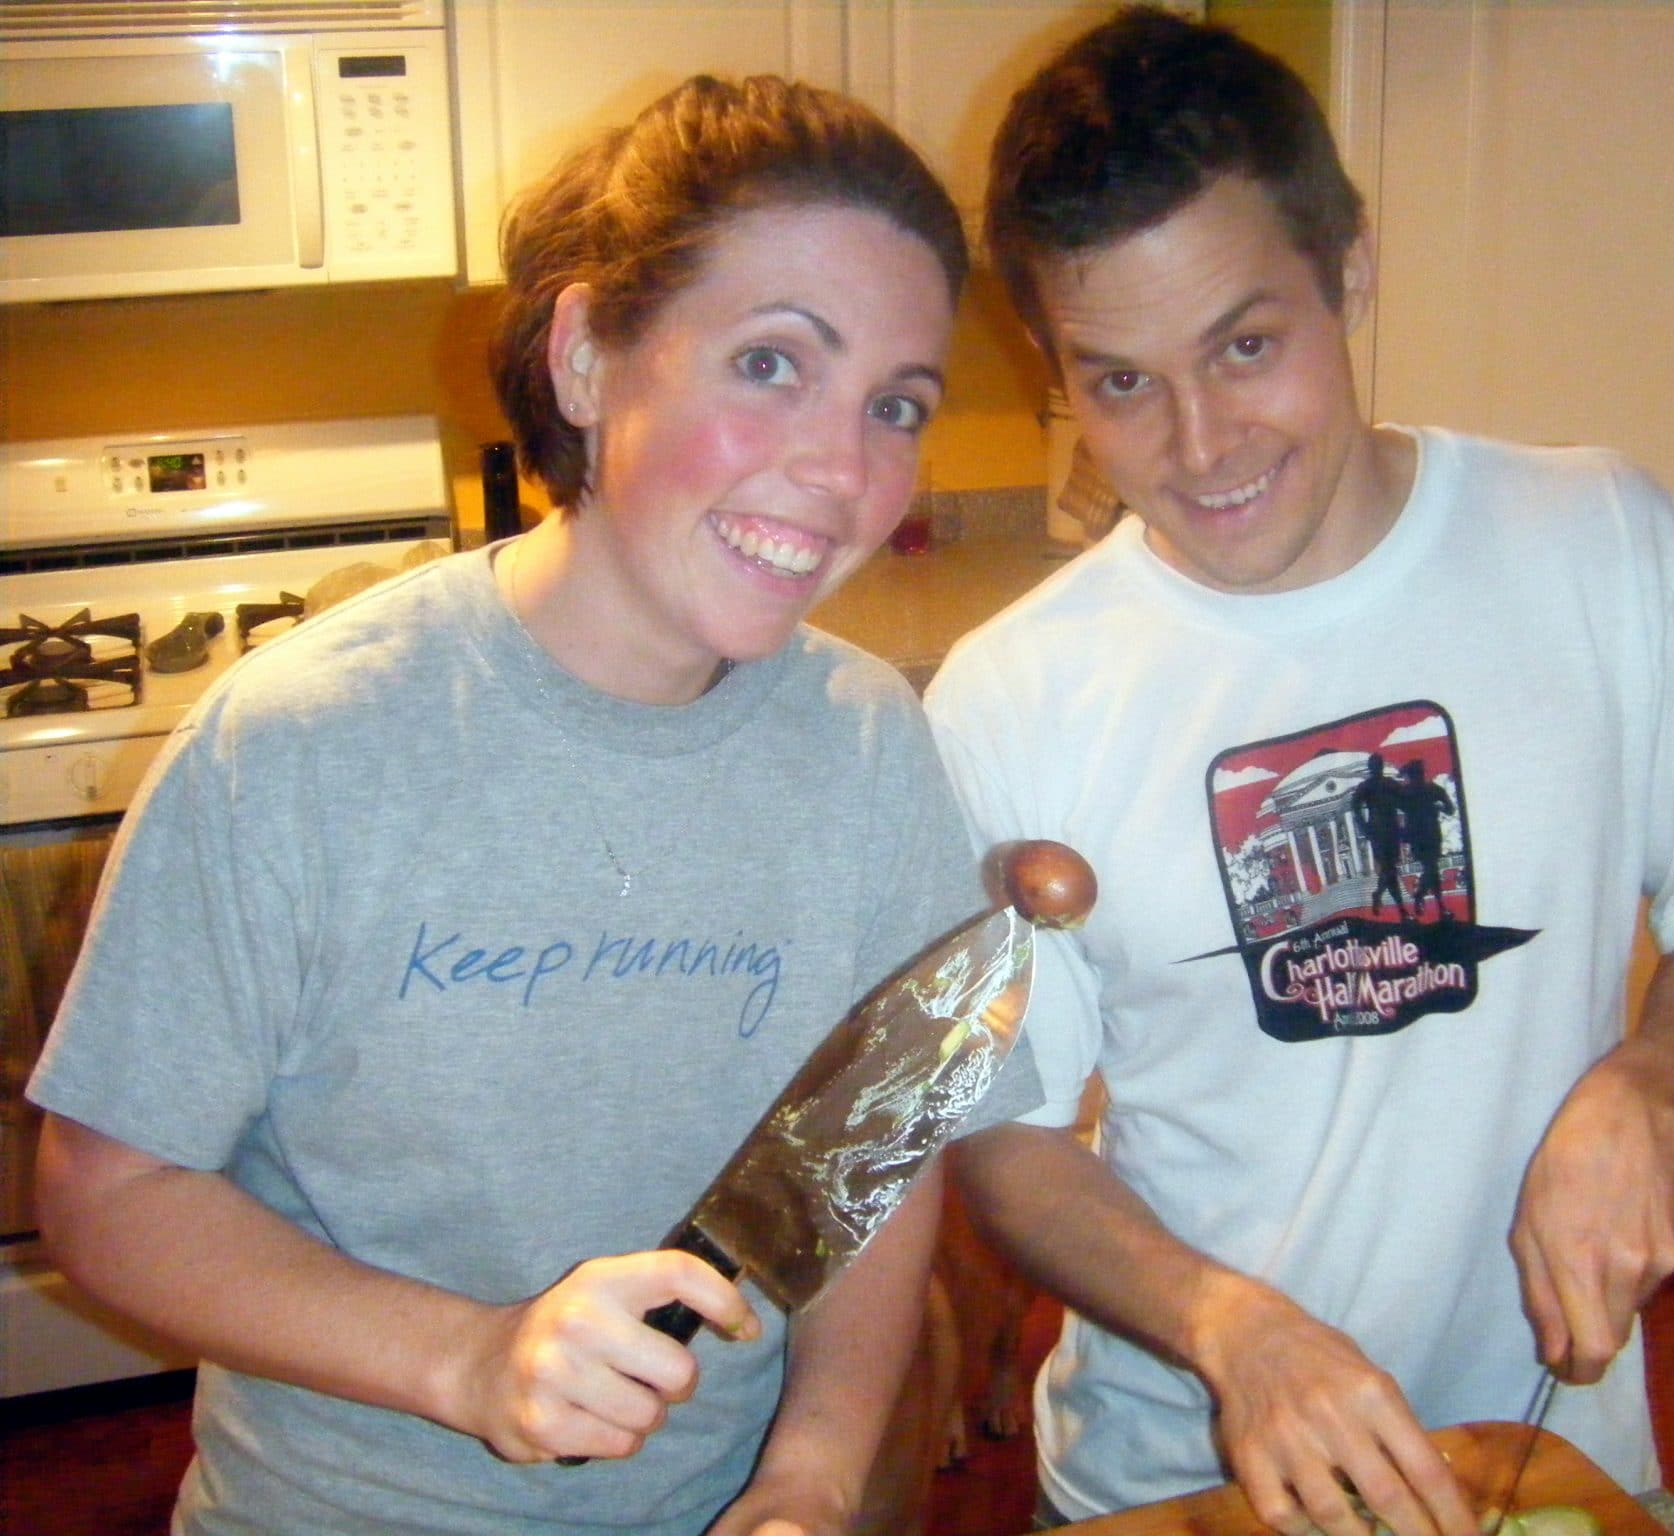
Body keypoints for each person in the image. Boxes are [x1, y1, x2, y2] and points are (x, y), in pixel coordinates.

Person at [30, 73, 1035, 1536]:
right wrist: (469, 1356)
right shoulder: (306, 746)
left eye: (896, 405)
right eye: (770, 364)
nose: (841, 469)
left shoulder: (867, 748)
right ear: (584, 358)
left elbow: (868, 1160)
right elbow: (107, 1192)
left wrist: (809, 1475)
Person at [923, 11, 1674, 1536]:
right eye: (1119, 384)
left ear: (1349, 274)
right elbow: (1012, 1137)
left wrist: (1651, 1088)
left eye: (1246, 344)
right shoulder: (1015, 694)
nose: (1201, 444)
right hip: (1184, 1476)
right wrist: (1235, 1330)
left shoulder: (1601, 546)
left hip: (1542, 1446)